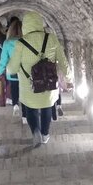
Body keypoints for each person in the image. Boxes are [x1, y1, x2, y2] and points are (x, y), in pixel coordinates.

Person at [7, 11, 70, 146]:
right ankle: (45, 134)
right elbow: (62, 61)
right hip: (49, 83)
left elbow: (12, 68)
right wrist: (69, 78)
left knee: (31, 108)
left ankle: (35, 131)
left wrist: (12, 70)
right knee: (47, 107)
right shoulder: (51, 38)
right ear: (40, 23)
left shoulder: (20, 43)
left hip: (28, 85)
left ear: (25, 26)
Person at [0, 17, 22, 116]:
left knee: (14, 88)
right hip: (24, 70)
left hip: (12, 70)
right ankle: (25, 113)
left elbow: (3, 59)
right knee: (24, 90)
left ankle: (15, 105)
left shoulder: (7, 43)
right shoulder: (26, 41)